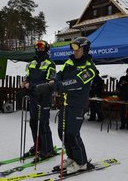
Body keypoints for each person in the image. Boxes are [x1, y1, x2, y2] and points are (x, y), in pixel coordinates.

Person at [51, 37, 98, 174]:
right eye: (73, 48)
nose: (75, 51)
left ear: (85, 49)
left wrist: (59, 85)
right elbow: (59, 75)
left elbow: (77, 82)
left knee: (72, 134)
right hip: (65, 103)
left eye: (78, 49)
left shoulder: (90, 68)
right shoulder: (69, 61)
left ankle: (82, 161)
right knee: (62, 133)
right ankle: (72, 158)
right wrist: (56, 81)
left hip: (78, 105)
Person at [20, 40, 56, 159]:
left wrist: (32, 86)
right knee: (33, 123)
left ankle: (47, 149)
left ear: (46, 48)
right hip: (33, 98)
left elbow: (48, 84)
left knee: (43, 124)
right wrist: (24, 83)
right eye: (37, 47)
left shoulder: (50, 64)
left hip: (44, 98)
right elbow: (28, 77)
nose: (38, 49)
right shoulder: (32, 63)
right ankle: (38, 146)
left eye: (41, 47)